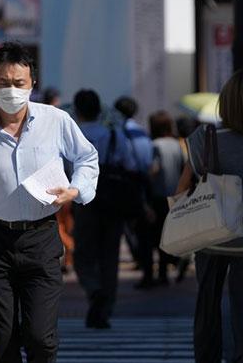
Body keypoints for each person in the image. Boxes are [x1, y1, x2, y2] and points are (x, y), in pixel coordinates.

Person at [0, 42, 99, 363]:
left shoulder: (55, 121)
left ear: (32, 84)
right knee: (2, 339)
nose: (11, 90)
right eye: (3, 83)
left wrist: (75, 189)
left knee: (41, 338)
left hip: (40, 239)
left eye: (18, 83)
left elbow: (87, 157)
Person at [176, 70, 243, 363]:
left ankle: (208, 357)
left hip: (211, 235)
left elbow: (182, 186)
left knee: (207, 303)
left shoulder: (204, 137)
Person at [71, 89, 129, 329]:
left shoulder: (73, 135)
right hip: (113, 198)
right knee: (109, 255)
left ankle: (94, 289)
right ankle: (105, 309)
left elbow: (64, 168)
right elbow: (128, 162)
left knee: (83, 254)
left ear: (77, 110)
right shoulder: (114, 135)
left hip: (84, 198)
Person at [114, 96, 155, 289]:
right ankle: (147, 268)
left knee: (129, 227)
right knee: (144, 229)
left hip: (128, 184)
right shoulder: (142, 132)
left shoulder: (121, 132)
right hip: (145, 182)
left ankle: (144, 266)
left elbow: (125, 161)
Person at [147, 111, 185, 285]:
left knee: (156, 235)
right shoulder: (177, 145)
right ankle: (170, 265)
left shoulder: (154, 145)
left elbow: (153, 169)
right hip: (176, 195)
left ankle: (161, 272)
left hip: (158, 195)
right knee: (170, 233)